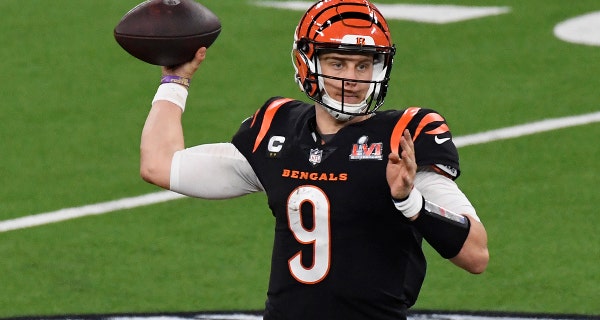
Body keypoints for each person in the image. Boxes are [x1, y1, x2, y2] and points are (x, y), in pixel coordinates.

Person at [139, 0, 489, 319]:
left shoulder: (401, 139)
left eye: (363, 65)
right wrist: (175, 79)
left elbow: (476, 254)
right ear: (305, 62)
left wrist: (410, 201)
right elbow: (160, 165)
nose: (350, 79)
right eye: (337, 63)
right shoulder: (278, 132)